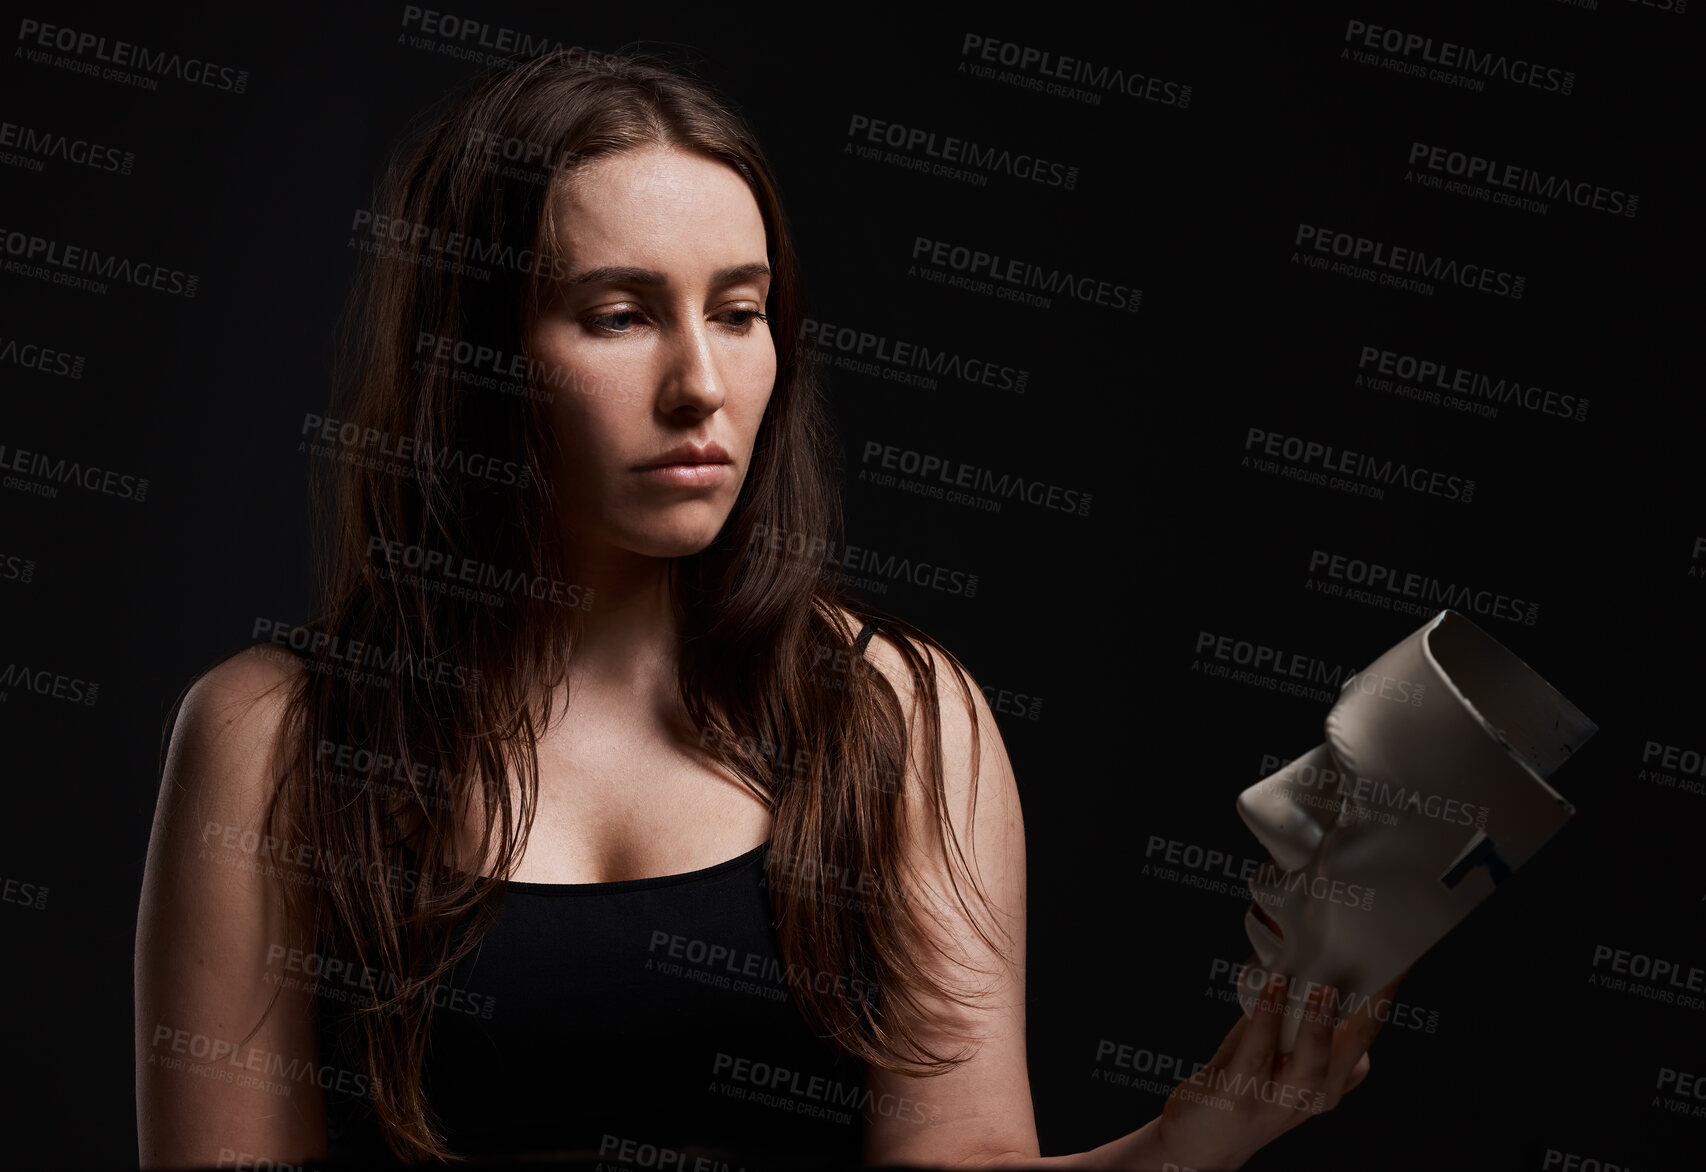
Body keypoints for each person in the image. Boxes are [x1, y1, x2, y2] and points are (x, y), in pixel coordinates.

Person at [134, 48, 1393, 1170]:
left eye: (738, 313)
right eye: (619, 315)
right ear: (465, 356)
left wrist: (1199, 1132)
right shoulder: (270, 739)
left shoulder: (897, 719)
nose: (701, 385)